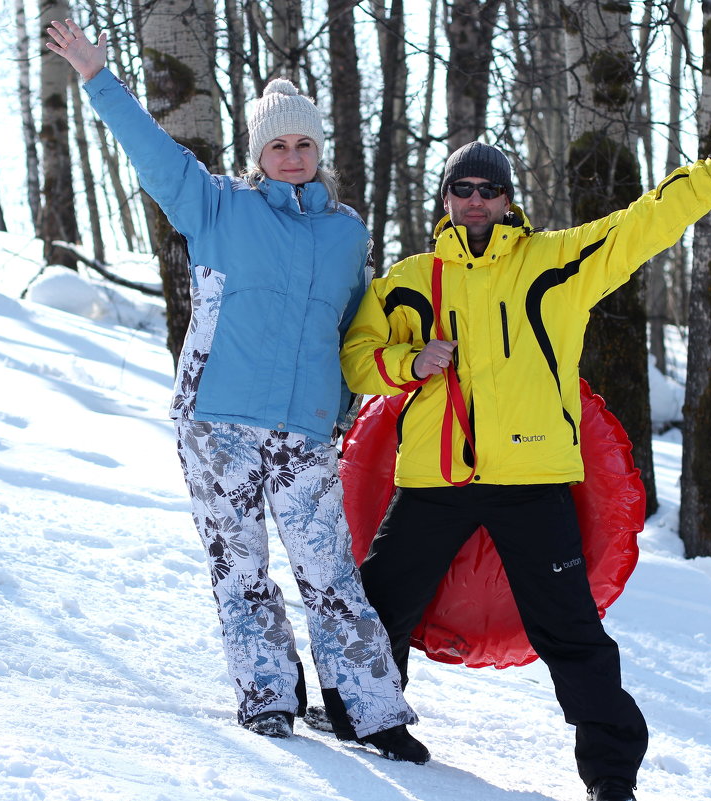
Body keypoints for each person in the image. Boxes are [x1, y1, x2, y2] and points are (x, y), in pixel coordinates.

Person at [339, 113, 711, 798]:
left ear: (509, 198)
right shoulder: (408, 281)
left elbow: (638, 226)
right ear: (446, 198)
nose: (475, 199)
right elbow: (357, 360)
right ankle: (364, 722)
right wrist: (409, 360)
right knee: (375, 606)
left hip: (531, 482)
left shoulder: (554, 262)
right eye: (462, 187)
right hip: (433, 480)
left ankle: (610, 773)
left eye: (488, 187)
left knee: (571, 633)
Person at [45, 19, 429, 764]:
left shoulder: (346, 234)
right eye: (278, 146)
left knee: (331, 574)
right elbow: (151, 151)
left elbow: (353, 334)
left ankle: (372, 710)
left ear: (320, 151)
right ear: (258, 155)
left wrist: (397, 371)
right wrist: (97, 75)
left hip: (306, 432)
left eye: (304, 145)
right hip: (216, 422)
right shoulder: (216, 206)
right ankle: (268, 698)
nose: (292, 157)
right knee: (240, 568)